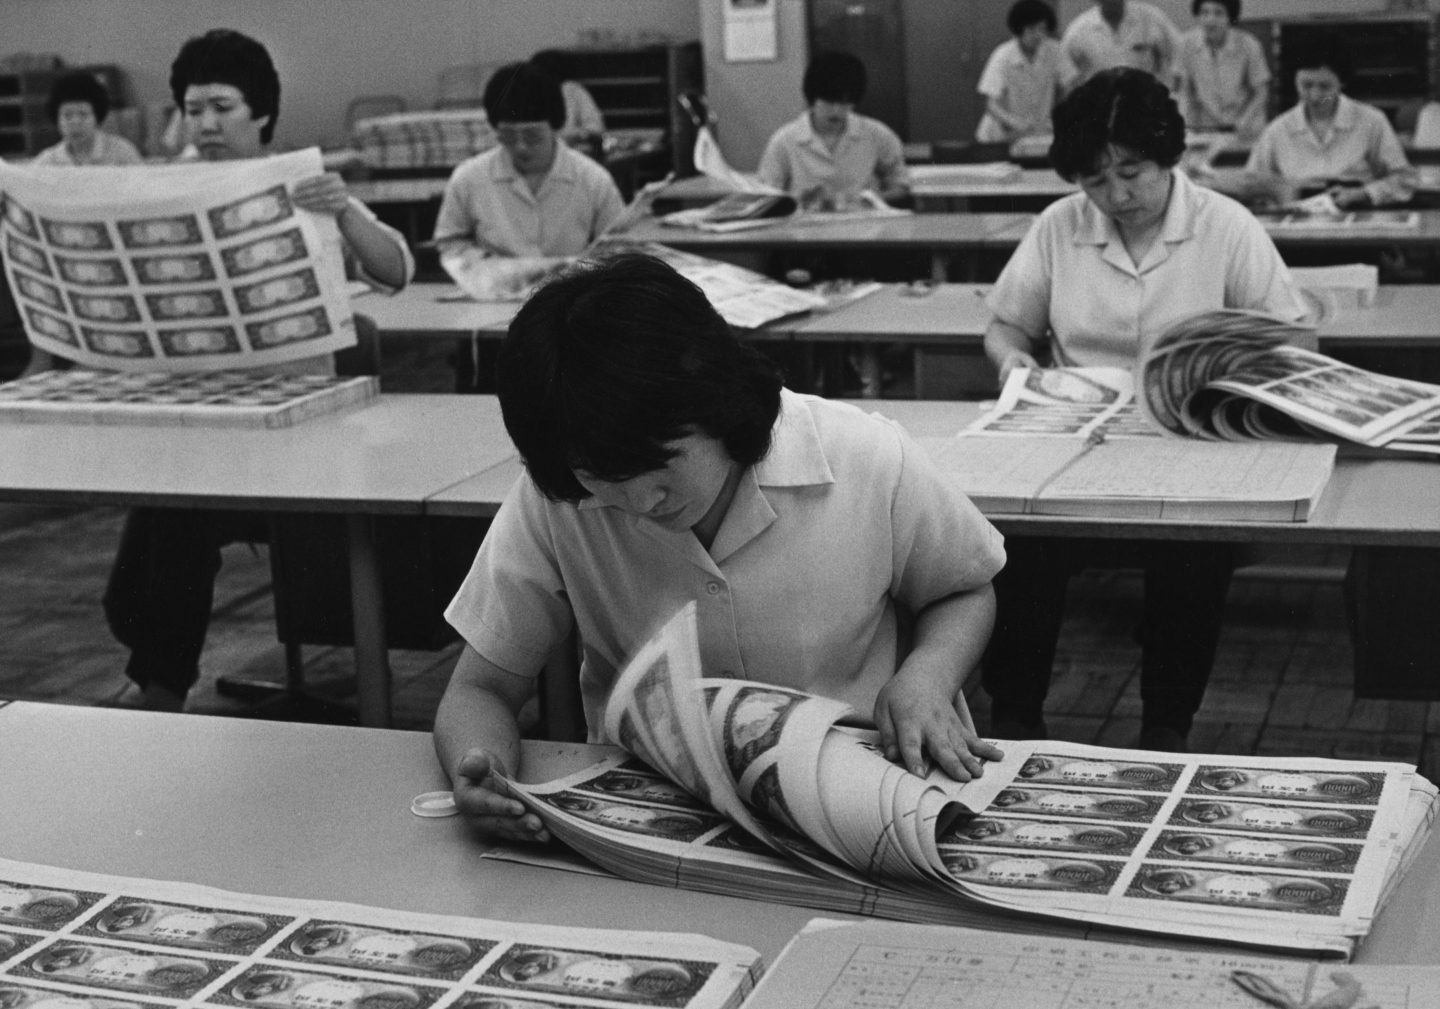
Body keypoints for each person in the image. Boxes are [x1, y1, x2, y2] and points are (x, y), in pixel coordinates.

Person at [433, 252, 1006, 842]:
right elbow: (481, 687)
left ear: (716, 402)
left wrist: (928, 676)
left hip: (856, 792)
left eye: (661, 464)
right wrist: (481, 770)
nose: (641, 500)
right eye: (603, 478)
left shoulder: (864, 456)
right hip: (655, 807)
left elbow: (963, 589)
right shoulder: (560, 494)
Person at [981, 68, 1305, 752]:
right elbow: (1007, 325)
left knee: (1192, 549)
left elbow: (1294, 339)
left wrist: (1230, 384)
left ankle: (1165, 728)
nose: (1116, 195)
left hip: (1188, 443)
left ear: (1168, 155)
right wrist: (1015, 364)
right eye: (1094, 180)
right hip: (1077, 444)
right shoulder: (1059, 226)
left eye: (1131, 172)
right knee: (1015, 540)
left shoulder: (1225, 225)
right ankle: (1014, 719)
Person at [101, 28, 413, 711]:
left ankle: (160, 687)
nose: (205, 124)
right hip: (207, 423)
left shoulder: (300, 182)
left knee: (179, 513)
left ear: (262, 113)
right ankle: (155, 673)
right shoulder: (165, 188)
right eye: (193, 109)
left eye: (222, 107)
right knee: (159, 514)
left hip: (298, 435)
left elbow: (395, 270)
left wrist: (343, 212)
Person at [432, 61, 625, 263]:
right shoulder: (469, 178)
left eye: (532, 136)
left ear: (555, 127)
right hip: (494, 282)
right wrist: (487, 267)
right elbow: (450, 243)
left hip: (571, 281)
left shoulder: (593, 179)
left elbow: (620, 247)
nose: (521, 147)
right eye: (508, 136)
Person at [1244, 33, 1415, 209]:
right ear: (1295, 81)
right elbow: (1250, 183)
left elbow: (1404, 180)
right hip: (1297, 213)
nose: (1315, 96)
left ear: (1342, 83)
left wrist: (1363, 193)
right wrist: (1276, 193)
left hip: (1358, 211)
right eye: (1306, 86)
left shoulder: (1371, 121)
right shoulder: (1278, 129)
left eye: (1325, 87)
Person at [756, 50, 908, 209]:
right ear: (812, 99)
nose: (836, 111)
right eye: (828, 102)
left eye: (844, 103)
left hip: (863, 219)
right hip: (804, 221)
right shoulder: (785, 140)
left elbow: (901, 186)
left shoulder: (877, 135)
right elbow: (766, 196)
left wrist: (868, 200)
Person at [975, 1, 1076, 145]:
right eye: (1032, 29)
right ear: (1019, 29)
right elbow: (991, 104)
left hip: (1039, 132)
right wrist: (1012, 121)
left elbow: (1069, 88)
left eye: (1042, 29)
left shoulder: (1055, 51)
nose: (1038, 35)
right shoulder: (1003, 55)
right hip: (1000, 135)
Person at [1175, 0, 1270, 140]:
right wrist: (1182, 123)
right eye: (1204, 13)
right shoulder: (1186, 44)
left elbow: (1261, 92)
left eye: (1218, 13)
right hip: (1206, 126)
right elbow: (1185, 91)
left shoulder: (1249, 45)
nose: (1210, 20)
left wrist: (1245, 119)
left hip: (1245, 125)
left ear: (1230, 17)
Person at [32, 70, 143, 167]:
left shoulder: (122, 152)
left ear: (96, 118)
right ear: (57, 120)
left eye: (83, 114)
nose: (76, 122)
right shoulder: (49, 160)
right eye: (67, 116)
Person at [1061, 0, 1181, 88]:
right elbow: (1064, 70)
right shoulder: (1079, 29)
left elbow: (1180, 51)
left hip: (1146, 101)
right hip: (1100, 105)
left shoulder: (1151, 18)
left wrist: (1172, 86)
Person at [529, 49, 606, 154]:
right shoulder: (530, 93)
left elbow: (596, 126)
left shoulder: (573, 90)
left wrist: (574, 135)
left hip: (573, 151)